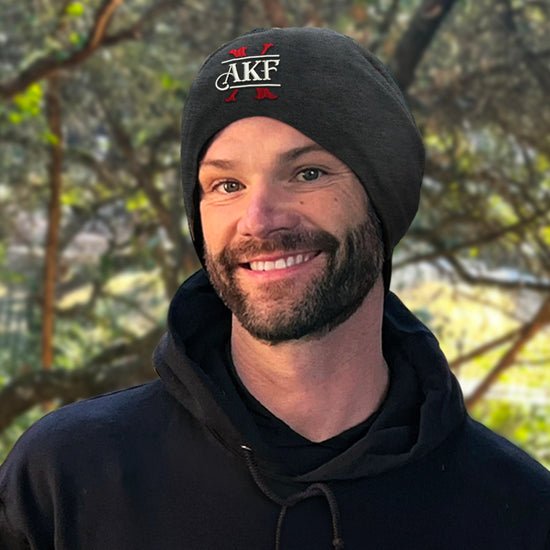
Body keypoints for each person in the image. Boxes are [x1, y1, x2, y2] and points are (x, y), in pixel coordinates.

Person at [1, 27, 550, 550]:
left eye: (308, 172)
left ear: (382, 199)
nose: (258, 220)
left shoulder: (518, 510)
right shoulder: (65, 479)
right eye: (227, 184)